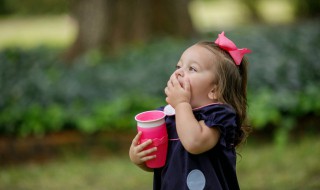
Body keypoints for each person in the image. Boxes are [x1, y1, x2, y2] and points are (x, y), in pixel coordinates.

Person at [129, 31, 251, 190]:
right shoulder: (168, 116)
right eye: (179, 66)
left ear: (215, 90)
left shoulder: (218, 117)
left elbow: (194, 142)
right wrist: (139, 158)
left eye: (192, 69)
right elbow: (159, 164)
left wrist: (181, 104)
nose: (179, 72)